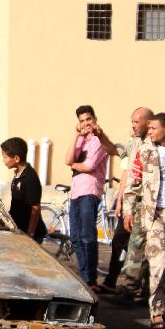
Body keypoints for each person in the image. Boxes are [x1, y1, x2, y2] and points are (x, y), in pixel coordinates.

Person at [123, 112, 165, 329]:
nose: (149, 132)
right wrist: (127, 210)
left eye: (153, 128)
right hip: (153, 215)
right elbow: (133, 182)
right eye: (149, 128)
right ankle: (157, 313)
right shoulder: (145, 151)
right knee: (158, 264)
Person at [100, 107, 153, 296]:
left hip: (149, 204)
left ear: (149, 122)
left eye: (136, 122)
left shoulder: (156, 145)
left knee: (141, 247)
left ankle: (134, 288)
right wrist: (101, 135)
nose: (133, 126)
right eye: (132, 122)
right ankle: (132, 286)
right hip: (133, 203)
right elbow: (116, 151)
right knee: (130, 244)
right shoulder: (135, 143)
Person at [64, 105, 115, 290]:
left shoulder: (99, 140)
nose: (86, 124)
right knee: (76, 237)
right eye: (82, 120)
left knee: (87, 236)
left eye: (88, 119)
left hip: (90, 191)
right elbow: (68, 160)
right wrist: (76, 135)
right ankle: (84, 275)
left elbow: (90, 165)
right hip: (76, 192)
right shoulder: (81, 141)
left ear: (95, 119)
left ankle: (91, 279)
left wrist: (75, 165)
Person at [0, 137, 47, 242]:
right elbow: (17, 204)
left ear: (16, 158)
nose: (3, 160)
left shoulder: (30, 177)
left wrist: (30, 235)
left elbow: (35, 208)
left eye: (5, 157)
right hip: (19, 230)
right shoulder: (18, 175)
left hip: (29, 234)